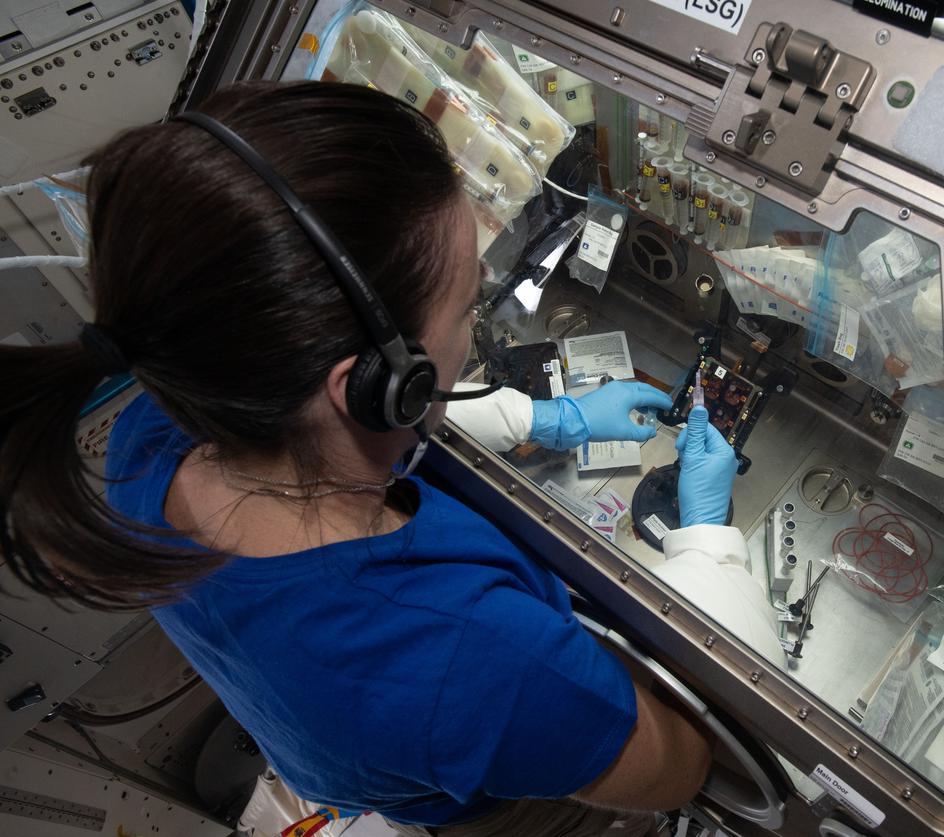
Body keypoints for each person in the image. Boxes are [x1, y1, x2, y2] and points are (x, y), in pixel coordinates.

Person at [0, 80, 752, 836]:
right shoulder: (478, 661)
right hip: (497, 786)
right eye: (465, 304)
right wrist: (708, 539)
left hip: (383, 753)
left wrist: (544, 417)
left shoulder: (152, 432)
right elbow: (683, 765)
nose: (483, 295)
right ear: (377, 389)